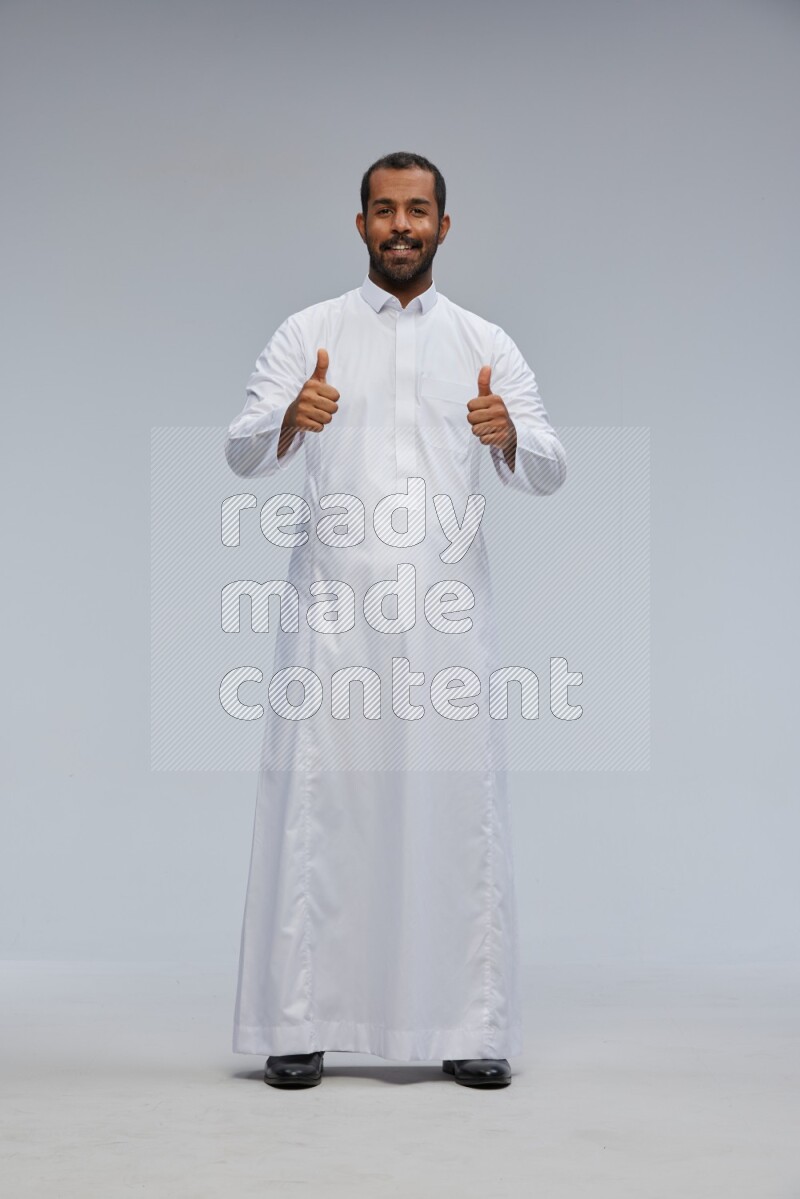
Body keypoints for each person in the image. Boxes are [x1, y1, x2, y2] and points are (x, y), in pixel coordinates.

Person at [224, 151, 567, 1089]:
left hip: (447, 623)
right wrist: (292, 416)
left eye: (419, 211)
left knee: (453, 811)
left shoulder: (483, 341)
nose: (402, 226)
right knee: (319, 808)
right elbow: (241, 448)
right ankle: (298, 1023)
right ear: (362, 223)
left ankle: (466, 1023)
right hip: (334, 612)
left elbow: (550, 460)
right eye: (385, 211)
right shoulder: (311, 331)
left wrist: (511, 436)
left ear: (445, 226)